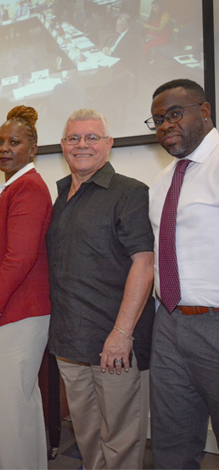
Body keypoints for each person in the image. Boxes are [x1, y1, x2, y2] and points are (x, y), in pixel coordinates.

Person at [47, 109, 155, 470]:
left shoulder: (130, 193)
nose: (82, 145)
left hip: (114, 344)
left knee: (120, 438)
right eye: (74, 138)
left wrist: (122, 334)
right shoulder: (60, 197)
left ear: (108, 144)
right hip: (70, 343)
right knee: (87, 433)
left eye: (92, 137)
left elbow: (145, 264)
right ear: (63, 146)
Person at [0, 106, 52, 469]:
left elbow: (19, 259)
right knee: (18, 403)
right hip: (12, 312)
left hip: (17, 313)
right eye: (0, 141)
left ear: (32, 148)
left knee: (7, 408)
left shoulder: (28, 188)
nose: (4, 148)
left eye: (14, 142)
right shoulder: (11, 187)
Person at [146, 78, 219, 469]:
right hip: (170, 324)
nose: (165, 125)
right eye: (158, 119)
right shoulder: (163, 183)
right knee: (171, 442)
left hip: (215, 324)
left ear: (204, 111)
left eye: (175, 113)